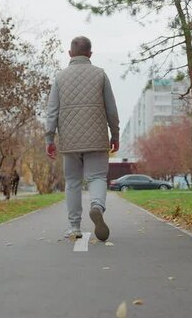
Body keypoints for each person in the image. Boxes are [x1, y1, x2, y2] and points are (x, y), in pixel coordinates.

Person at [45, 36, 120, 241]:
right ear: (90, 54)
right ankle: (96, 205)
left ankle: (74, 227)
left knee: (72, 182)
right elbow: (111, 110)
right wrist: (115, 134)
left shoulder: (60, 78)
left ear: (70, 54)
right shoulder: (100, 75)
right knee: (96, 177)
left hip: (70, 141)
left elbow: (52, 111)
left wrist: (49, 139)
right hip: (96, 138)